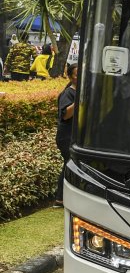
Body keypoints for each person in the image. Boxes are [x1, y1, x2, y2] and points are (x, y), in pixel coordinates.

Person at [55, 63, 79, 205]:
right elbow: (65, 115)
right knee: (69, 164)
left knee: (70, 164)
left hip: (74, 136)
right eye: (76, 74)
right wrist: (80, 100)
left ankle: (62, 197)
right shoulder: (68, 93)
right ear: (70, 77)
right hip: (66, 136)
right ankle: (60, 197)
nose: (79, 77)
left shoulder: (79, 91)